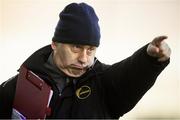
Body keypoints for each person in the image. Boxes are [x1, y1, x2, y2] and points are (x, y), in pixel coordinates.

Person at [0, 2, 171, 119]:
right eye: (76, 47)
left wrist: (150, 59)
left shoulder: (105, 83)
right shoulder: (15, 88)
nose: (83, 59)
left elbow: (131, 73)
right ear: (54, 44)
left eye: (90, 49)